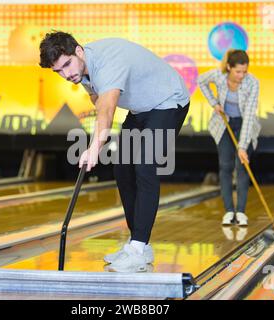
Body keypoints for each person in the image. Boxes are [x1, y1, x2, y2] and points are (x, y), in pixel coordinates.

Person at [39, 31, 190, 272]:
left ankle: (138, 247)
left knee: (144, 165)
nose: (67, 74)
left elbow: (107, 109)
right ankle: (138, 244)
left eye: (67, 65)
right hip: (141, 110)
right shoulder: (81, 71)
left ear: (79, 51)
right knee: (122, 168)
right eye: (59, 71)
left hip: (168, 101)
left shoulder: (107, 62)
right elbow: (97, 99)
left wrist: (93, 148)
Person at [198, 49, 260, 227]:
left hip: (244, 125)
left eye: (244, 71)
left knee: (242, 166)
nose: (242, 75)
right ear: (229, 67)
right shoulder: (218, 76)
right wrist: (214, 103)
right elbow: (200, 81)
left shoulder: (252, 83)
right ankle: (228, 211)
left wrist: (242, 146)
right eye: (238, 71)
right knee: (225, 166)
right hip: (223, 124)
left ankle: (240, 212)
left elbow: (249, 114)